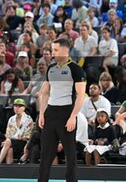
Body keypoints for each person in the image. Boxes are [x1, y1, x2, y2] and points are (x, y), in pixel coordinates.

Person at [38, 38, 86, 182]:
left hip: (66, 114)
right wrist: (41, 113)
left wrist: (73, 116)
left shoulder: (76, 69)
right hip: (50, 113)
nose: (52, 53)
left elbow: (80, 95)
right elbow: (44, 93)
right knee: (46, 154)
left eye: (55, 50)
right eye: (52, 50)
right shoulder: (50, 68)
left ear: (65, 51)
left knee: (70, 154)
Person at [0, 98, 33, 164]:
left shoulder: (28, 119)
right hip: (12, 143)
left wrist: (8, 141)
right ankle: (10, 171)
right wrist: (7, 141)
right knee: (9, 149)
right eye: (15, 106)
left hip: (23, 143)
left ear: (24, 108)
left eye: (20, 106)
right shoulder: (11, 119)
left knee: (8, 142)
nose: (17, 108)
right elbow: (8, 134)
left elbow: (26, 137)